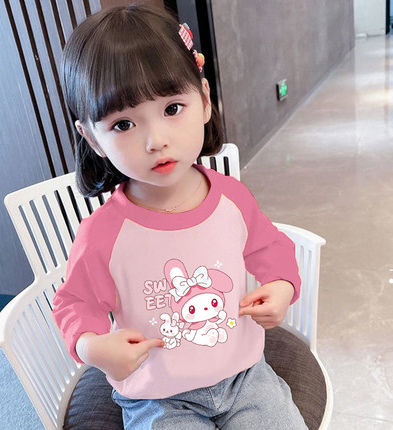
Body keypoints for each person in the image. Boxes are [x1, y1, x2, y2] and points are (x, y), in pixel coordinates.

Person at [53, 4, 307, 429]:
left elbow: (271, 248)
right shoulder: (104, 233)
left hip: (245, 375)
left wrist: (281, 287)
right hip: (157, 395)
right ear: (92, 138)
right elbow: (74, 302)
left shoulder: (232, 199)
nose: (156, 140)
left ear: (204, 100)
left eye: (172, 108)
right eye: (123, 124)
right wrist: (91, 346)